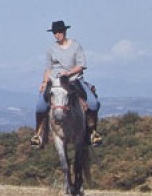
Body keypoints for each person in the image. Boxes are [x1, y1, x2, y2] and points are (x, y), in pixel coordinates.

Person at [31, 20, 102, 148]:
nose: (58, 34)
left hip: (74, 80)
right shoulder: (51, 49)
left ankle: (93, 133)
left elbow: (81, 65)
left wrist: (68, 73)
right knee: (40, 106)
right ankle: (38, 134)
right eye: (55, 32)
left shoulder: (76, 46)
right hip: (55, 81)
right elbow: (48, 69)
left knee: (93, 103)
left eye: (60, 31)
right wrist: (44, 81)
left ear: (65, 31)